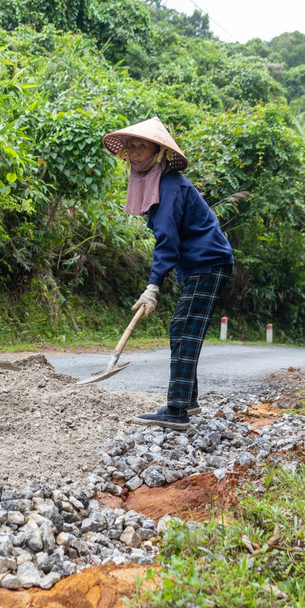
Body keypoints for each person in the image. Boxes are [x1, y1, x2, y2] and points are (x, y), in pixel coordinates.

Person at [102, 117, 234, 430]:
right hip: (198, 264)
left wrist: (153, 286)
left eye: (141, 145)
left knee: (185, 328)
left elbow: (167, 241)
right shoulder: (156, 181)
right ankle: (187, 400)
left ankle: (176, 411)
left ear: (158, 151)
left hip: (209, 262)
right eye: (130, 145)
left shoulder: (170, 186)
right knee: (180, 328)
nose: (134, 151)